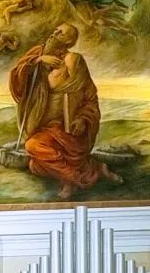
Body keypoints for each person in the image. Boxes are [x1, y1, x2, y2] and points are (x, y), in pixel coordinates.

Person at [8, 23, 121, 199]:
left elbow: (90, 98)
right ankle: (93, 170)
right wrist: (38, 61)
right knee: (34, 166)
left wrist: (83, 119)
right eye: (55, 30)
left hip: (68, 129)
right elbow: (17, 78)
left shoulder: (73, 60)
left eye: (60, 33)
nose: (54, 33)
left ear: (68, 41)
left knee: (32, 146)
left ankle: (70, 180)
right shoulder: (39, 56)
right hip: (45, 127)